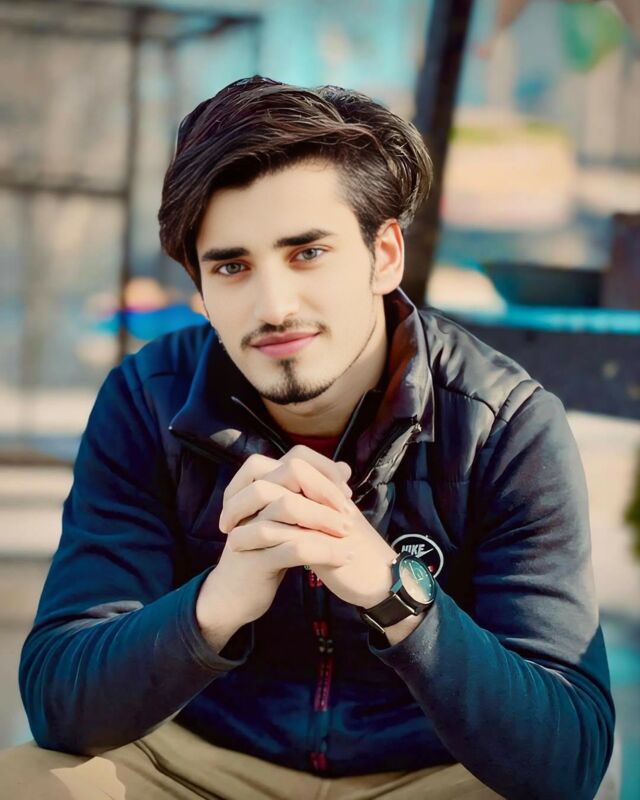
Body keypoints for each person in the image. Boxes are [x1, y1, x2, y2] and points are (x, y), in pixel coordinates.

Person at [1, 76, 614, 800]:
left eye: (308, 253)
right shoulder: (146, 401)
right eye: (232, 266)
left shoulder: (503, 424)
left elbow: (567, 760)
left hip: (434, 773)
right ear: (201, 290)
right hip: (193, 765)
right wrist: (214, 605)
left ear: (385, 255)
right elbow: (60, 703)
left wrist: (393, 593)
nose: (274, 305)